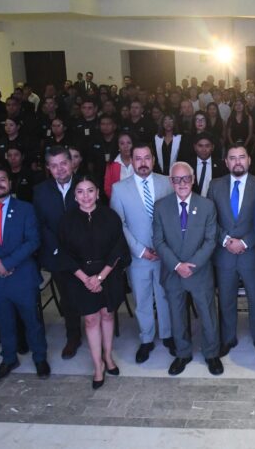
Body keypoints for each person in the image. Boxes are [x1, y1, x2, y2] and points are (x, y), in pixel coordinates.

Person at [0, 164, 50, 381]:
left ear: (10, 183)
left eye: (2, 180)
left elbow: (33, 241)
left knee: (32, 321)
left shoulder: (26, 209)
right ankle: (9, 358)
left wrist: (8, 263)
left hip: (22, 277)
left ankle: (40, 357)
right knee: (3, 322)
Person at [152, 161, 223, 377]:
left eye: (186, 179)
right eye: (176, 179)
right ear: (171, 182)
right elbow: (158, 241)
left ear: (193, 180)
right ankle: (182, 353)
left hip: (199, 272)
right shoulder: (161, 206)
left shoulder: (207, 206)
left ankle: (212, 353)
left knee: (207, 314)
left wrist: (192, 265)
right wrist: (176, 265)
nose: (182, 183)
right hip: (173, 272)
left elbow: (210, 240)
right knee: (177, 315)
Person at [59, 175, 130, 388]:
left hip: (108, 274)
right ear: (74, 196)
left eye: (90, 190)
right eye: (80, 192)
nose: (86, 196)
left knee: (108, 315)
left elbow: (118, 248)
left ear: (98, 193)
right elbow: (64, 254)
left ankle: (108, 355)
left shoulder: (110, 216)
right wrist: (86, 279)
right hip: (80, 277)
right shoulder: (66, 220)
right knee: (91, 320)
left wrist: (100, 277)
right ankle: (97, 365)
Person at [110, 143, 174, 364]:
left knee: (165, 295)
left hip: (165, 254)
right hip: (138, 256)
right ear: (132, 160)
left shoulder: (167, 182)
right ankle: (146, 338)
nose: (143, 162)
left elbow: (174, 217)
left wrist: (165, 247)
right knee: (142, 298)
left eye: (147, 158)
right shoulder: (119, 189)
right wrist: (140, 249)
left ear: (153, 160)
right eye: (138, 158)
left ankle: (167, 334)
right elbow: (119, 224)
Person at [207, 144, 255, 359]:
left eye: (241, 157)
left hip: (252, 254)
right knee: (225, 299)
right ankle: (227, 338)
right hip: (224, 254)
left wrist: (245, 242)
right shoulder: (215, 186)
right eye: (232, 158)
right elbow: (209, 220)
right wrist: (225, 240)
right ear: (226, 162)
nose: (237, 162)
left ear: (249, 160)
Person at [33, 147, 84, 359]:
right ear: (48, 168)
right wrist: (57, 249)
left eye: (63, 163)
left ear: (71, 163)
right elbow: (40, 225)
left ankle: (98, 332)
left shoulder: (85, 184)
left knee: (91, 292)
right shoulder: (40, 191)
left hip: (85, 251)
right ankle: (73, 336)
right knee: (68, 298)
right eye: (54, 166)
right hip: (57, 254)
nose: (60, 169)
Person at [188, 132, 228, 197]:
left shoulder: (222, 165)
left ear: (212, 147)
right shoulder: (187, 165)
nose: (204, 149)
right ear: (195, 147)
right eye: (200, 146)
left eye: (207, 146)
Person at [103, 132, 134, 199]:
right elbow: (107, 188)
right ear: (118, 147)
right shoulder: (111, 165)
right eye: (122, 143)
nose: (126, 146)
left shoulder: (139, 161)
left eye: (129, 143)